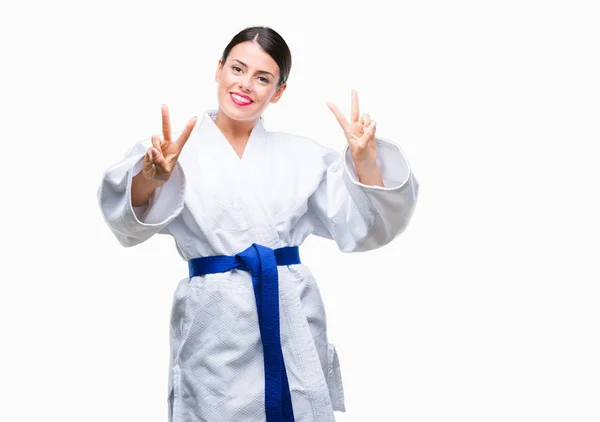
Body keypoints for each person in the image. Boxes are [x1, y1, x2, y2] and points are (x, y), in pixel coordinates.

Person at [97, 25, 419, 422]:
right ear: (219, 69)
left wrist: (365, 159)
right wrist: (153, 177)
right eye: (237, 68)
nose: (245, 84)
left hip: (290, 311)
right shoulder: (176, 151)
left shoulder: (301, 156)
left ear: (278, 91)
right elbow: (126, 222)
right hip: (214, 322)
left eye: (262, 78)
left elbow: (367, 226)